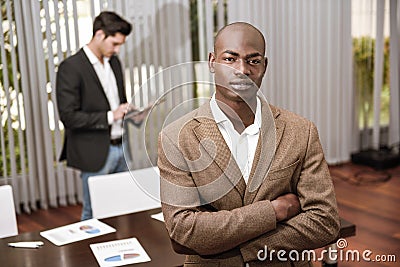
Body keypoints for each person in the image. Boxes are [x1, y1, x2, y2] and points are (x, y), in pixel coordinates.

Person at [158, 22, 340, 266]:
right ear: (212, 62)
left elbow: (325, 222)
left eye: (253, 61)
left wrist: (238, 246)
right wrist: (275, 211)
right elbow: (184, 232)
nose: (242, 70)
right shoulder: (176, 137)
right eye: (230, 59)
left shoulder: (301, 131)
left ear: (264, 66)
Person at [56, 11, 132, 220]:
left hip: (122, 147)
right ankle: (89, 253)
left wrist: (131, 113)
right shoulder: (70, 68)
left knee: (126, 208)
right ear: (100, 35)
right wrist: (110, 116)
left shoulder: (114, 62)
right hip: (95, 151)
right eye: (114, 44)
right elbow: (69, 117)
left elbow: (119, 103)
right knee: (94, 213)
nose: (117, 50)